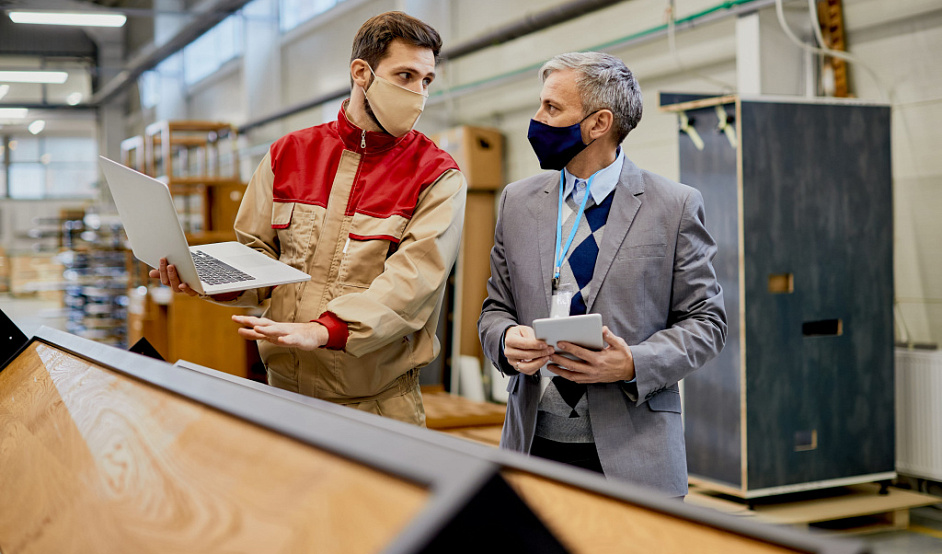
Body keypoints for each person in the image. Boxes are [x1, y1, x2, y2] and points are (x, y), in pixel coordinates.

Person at [152, 12, 467, 426]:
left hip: (376, 407)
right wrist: (211, 281)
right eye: (405, 76)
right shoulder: (289, 153)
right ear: (361, 73)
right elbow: (257, 254)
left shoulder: (436, 175)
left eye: (426, 80)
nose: (418, 94)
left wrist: (325, 331)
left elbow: (413, 284)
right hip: (282, 395)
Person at [478, 52, 726, 497]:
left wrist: (633, 362)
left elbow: (707, 323)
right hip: (532, 448)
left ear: (598, 124)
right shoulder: (518, 202)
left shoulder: (674, 206)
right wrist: (504, 339)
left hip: (635, 454)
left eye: (552, 108)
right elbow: (495, 308)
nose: (537, 120)